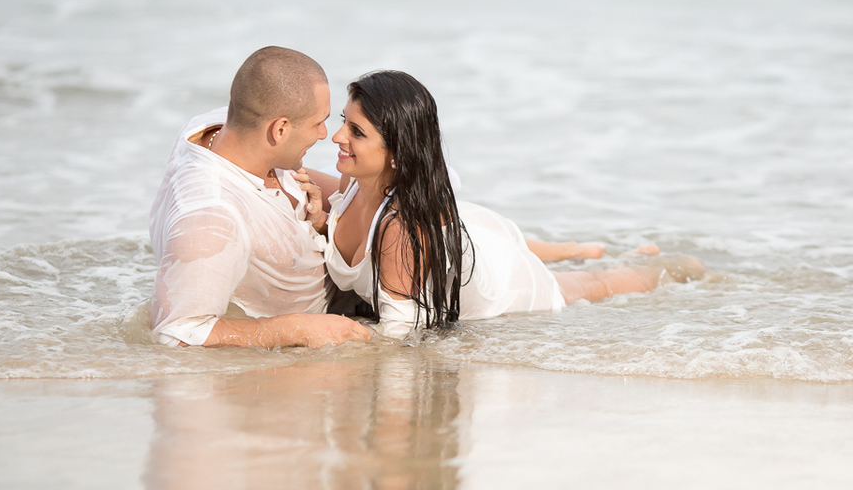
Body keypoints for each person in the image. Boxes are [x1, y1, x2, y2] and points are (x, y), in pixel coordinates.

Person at [317, 69, 702, 339]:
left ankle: (670, 264)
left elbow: (398, 338)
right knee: (528, 248)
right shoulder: (354, 177)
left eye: (356, 132)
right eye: (342, 121)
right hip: (463, 235)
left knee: (591, 284)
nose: (336, 136)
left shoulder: (399, 232)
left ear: (397, 155)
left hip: (496, 279)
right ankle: (581, 250)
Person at [149, 46, 371, 348]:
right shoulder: (212, 218)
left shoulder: (232, 128)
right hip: (336, 319)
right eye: (318, 122)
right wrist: (291, 330)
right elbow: (176, 334)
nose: (325, 134)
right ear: (279, 130)